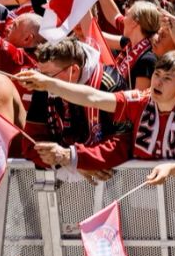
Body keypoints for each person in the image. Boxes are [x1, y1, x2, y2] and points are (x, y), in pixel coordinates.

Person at [17, 51, 175, 185]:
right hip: (141, 187)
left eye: (167, 78)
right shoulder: (140, 99)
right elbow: (93, 97)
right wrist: (50, 84)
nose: (157, 82)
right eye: (157, 74)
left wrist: (170, 169)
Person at [21, 38, 129, 180]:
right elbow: (30, 144)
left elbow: (123, 143)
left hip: (113, 178)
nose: (41, 80)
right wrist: (70, 162)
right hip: (64, 177)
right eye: (41, 74)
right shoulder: (43, 86)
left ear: (74, 70)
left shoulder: (110, 86)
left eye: (48, 76)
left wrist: (78, 159)